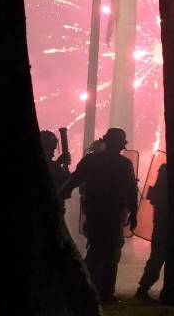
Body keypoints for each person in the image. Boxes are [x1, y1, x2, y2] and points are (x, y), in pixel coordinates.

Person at [59, 128, 138, 302]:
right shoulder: (124, 164)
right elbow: (131, 190)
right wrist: (134, 213)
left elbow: (74, 180)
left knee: (95, 251)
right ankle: (105, 292)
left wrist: (60, 195)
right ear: (120, 145)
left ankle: (85, 287)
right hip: (113, 214)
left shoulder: (91, 161)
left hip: (94, 212)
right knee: (111, 254)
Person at [134, 162, 168, 301]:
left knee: (157, 258)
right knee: (157, 258)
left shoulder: (165, 169)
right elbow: (155, 197)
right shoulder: (168, 170)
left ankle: (143, 288)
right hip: (164, 223)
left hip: (162, 222)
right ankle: (143, 289)